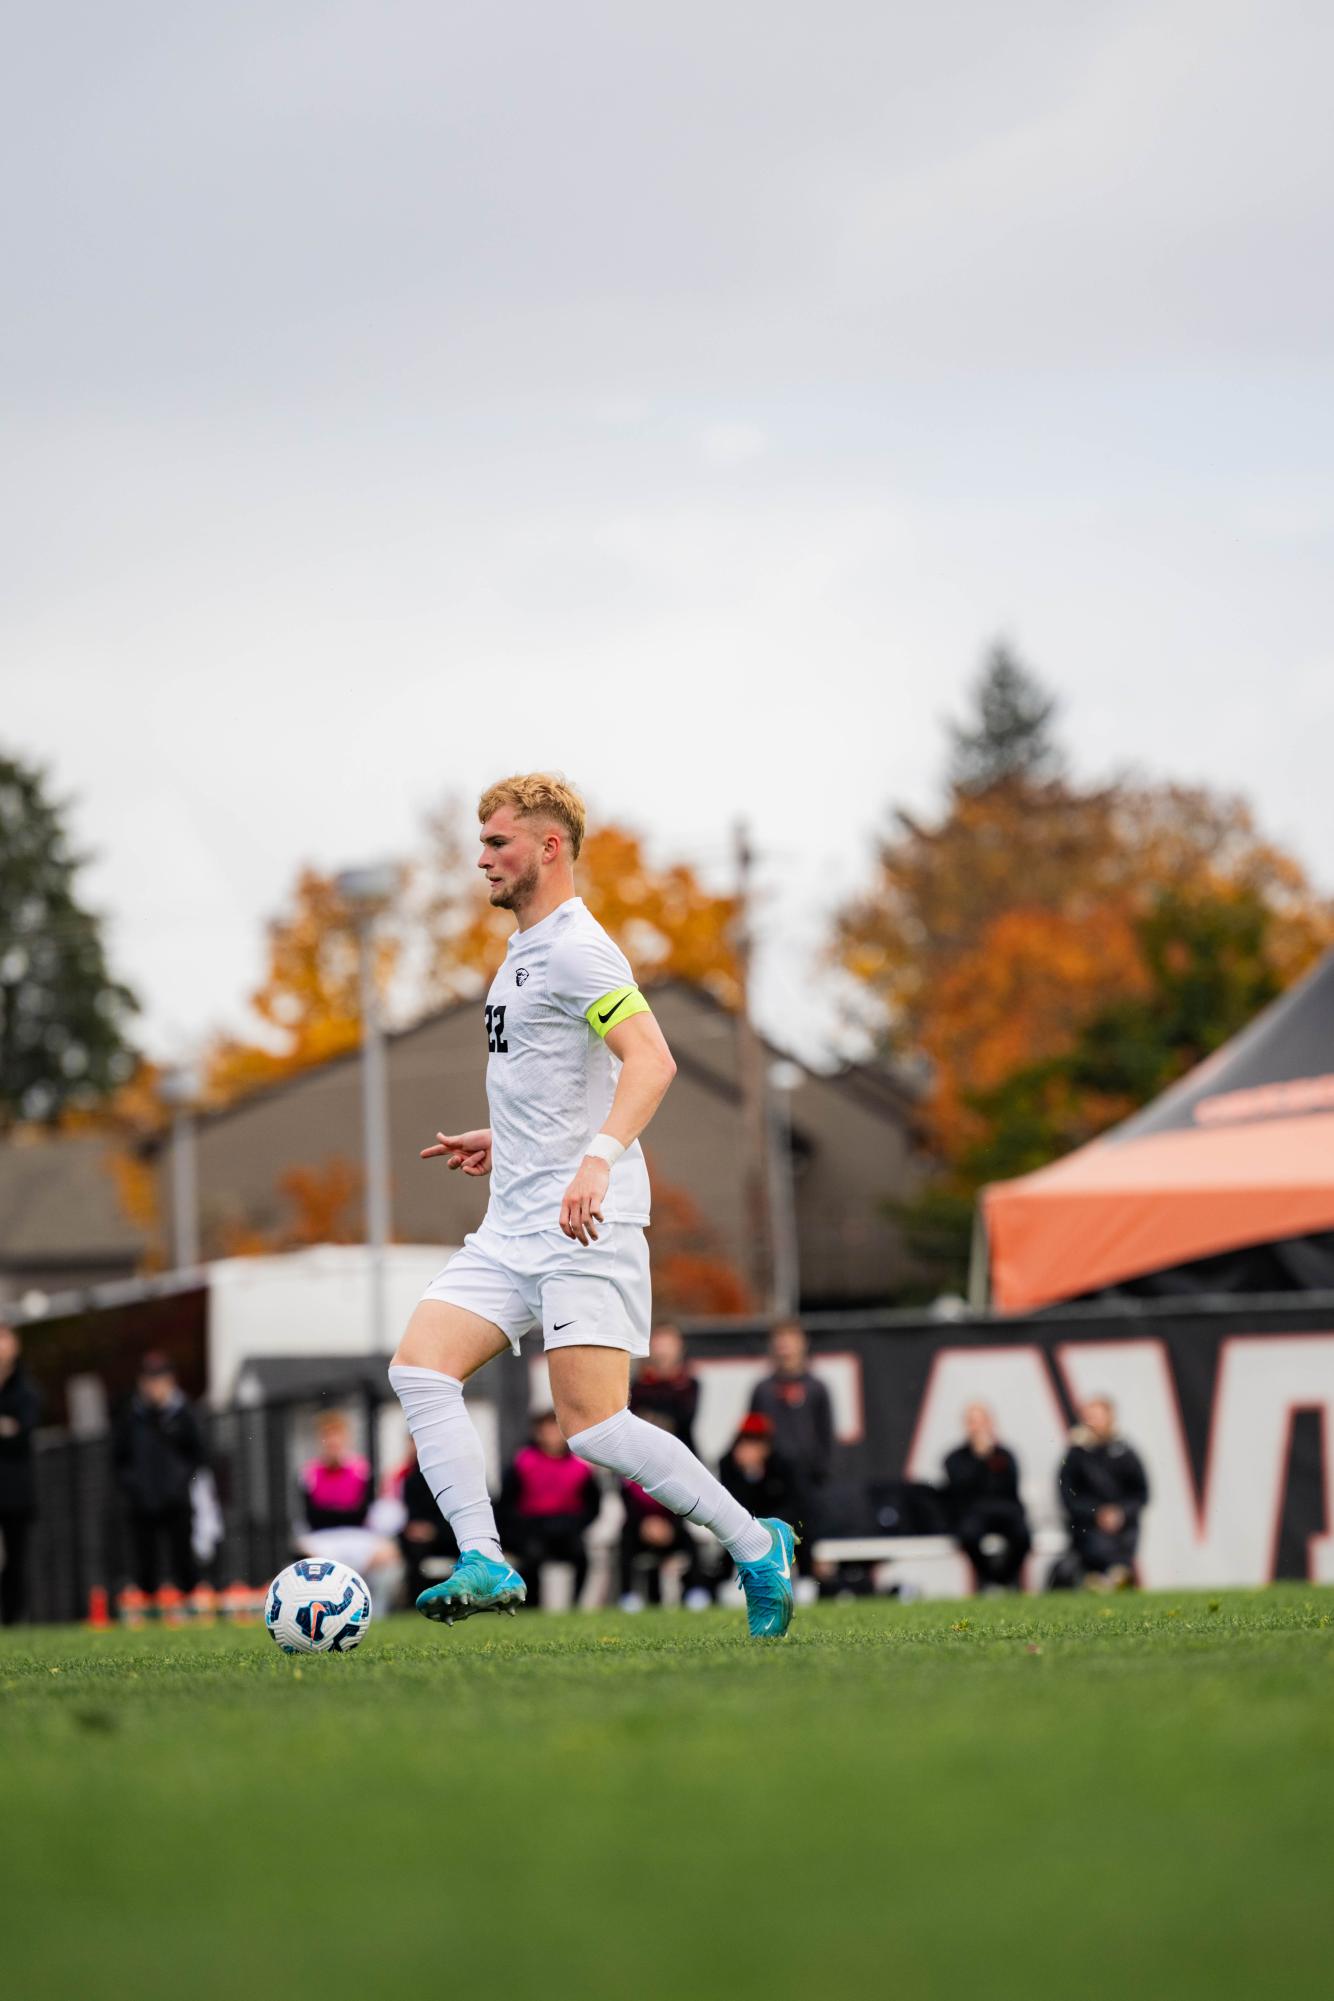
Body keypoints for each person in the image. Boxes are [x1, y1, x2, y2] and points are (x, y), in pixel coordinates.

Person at [387, 773, 795, 1639]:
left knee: (596, 1429)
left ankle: (758, 1546)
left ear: (549, 847)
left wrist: (597, 1161)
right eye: (483, 841)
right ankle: (486, 1559)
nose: (483, 857)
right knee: (419, 1368)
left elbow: (651, 1060)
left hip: (584, 1223)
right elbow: (562, 1081)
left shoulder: (580, 946)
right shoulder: (523, 952)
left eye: (498, 842)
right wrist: (506, 1140)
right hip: (513, 1219)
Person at [112, 1354, 206, 1596]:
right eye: (149, 1380)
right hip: (142, 1501)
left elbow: (198, 1454)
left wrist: (180, 1482)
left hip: (177, 1500)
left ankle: (190, 1601)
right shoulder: (131, 1414)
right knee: (145, 1562)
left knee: (183, 1557)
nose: (154, 1387)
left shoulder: (184, 1414)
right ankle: (147, 1606)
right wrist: (134, 1486)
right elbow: (119, 1458)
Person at [748, 1320, 833, 1577]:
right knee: (771, 1534)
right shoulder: (763, 1389)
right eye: (780, 1340)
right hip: (773, 1481)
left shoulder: (816, 1388)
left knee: (806, 1531)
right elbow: (752, 1432)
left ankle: (807, 1579)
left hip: (807, 1478)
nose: (785, 1347)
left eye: (790, 1339)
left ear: (802, 1344)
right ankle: (774, 1583)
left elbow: (826, 1433)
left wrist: (821, 1469)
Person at [498, 1410, 601, 1609]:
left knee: (581, 1556)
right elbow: (506, 1504)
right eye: (546, 1430)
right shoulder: (523, 1462)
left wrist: (575, 1525)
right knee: (531, 1557)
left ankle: (575, 1606)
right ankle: (531, 1606)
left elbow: (593, 1506)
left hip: (568, 1527)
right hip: (531, 1527)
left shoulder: (581, 1467)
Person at [1058, 1396, 1150, 1589]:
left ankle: (1111, 1579)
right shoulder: (1076, 1455)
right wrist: (1096, 1513)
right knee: (1097, 1544)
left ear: (1110, 1418)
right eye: (1089, 1417)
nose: (1093, 1422)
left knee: (1121, 1543)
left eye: (1098, 1416)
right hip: (1087, 1525)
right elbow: (1067, 1495)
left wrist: (1121, 1512)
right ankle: (1109, 1578)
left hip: (1123, 1526)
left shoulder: (1124, 1452)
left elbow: (1141, 1493)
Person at [943, 1403, 1032, 1592]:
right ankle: (989, 1578)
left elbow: (1011, 1486)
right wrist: (980, 1459)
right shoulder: (955, 1457)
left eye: (981, 1421)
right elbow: (959, 1488)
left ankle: (1003, 1578)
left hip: (1005, 1511)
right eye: (972, 1422)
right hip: (973, 1511)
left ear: (991, 1423)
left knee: (1023, 1536)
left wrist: (989, 1457)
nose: (977, 1427)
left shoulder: (1005, 1454)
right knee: (968, 1535)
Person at [716, 1414, 798, 1581]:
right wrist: (748, 1473)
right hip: (742, 1525)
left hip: (775, 1524)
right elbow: (732, 1503)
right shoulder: (728, 1464)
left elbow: (791, 1502)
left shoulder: (782, 1464)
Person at [0, 1320, 40, 1625]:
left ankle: (14, 1618)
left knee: (16, 1559)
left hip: (14, 1491)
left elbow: (22, 1431)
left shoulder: (25, 1391)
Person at [629, 1323, 699, 1451]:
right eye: (659, 1346)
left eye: (668, 1346)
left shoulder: (689, 1384)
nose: (663, 1352)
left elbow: (683, 1418)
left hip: (681, 1451)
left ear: (680, 1348)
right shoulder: (638, 1385)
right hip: (645, 1452)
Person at [300, 1412, 372, 1531]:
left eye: (336, 1435)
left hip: (354, 1533)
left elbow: (362, 1513)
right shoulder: (309, 1473)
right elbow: (311, 1516)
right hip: (321, 1534)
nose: (332, 1441)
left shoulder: (361, 1470)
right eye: (327, 1435)